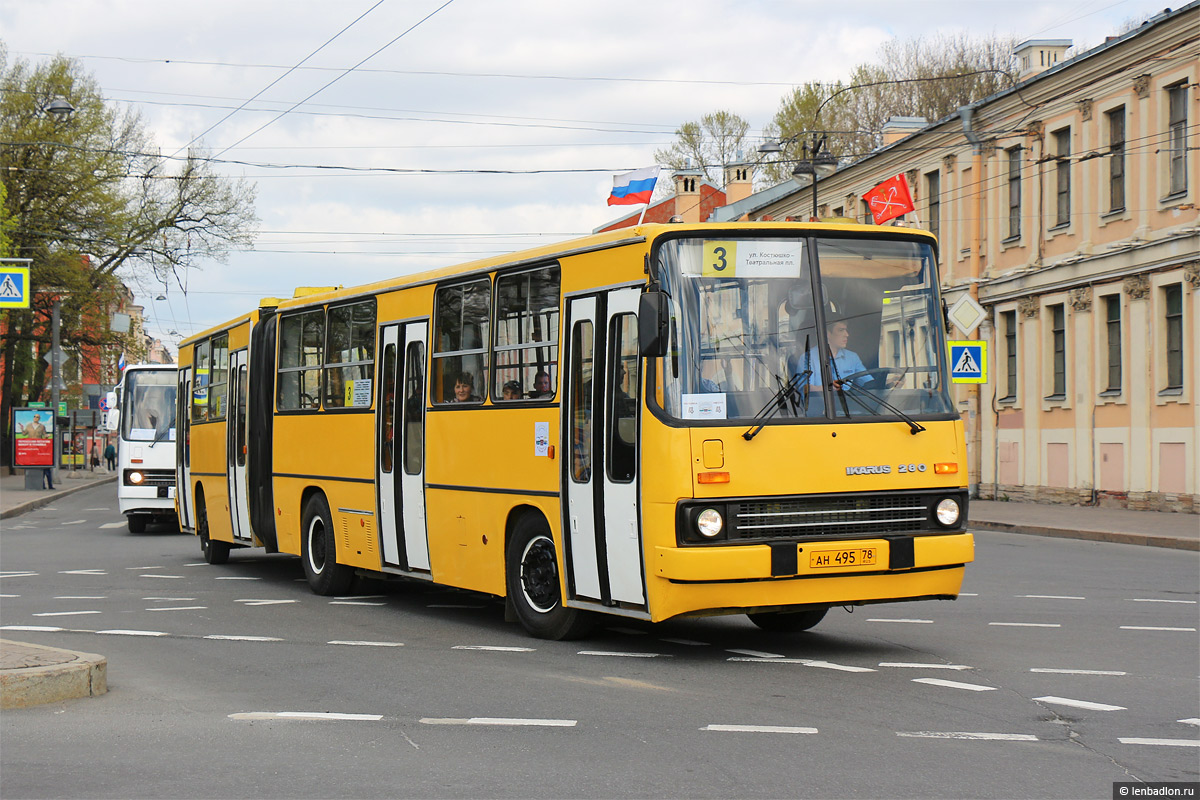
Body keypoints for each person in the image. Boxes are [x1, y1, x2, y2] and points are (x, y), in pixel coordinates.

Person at [796, 320, 869, 389]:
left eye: (846, 330)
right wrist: (829, 389)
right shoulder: (808, 357)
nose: (847, 334)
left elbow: (868, 382)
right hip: (821, 401)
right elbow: (805, 388)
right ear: (827, 334)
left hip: (849, 401)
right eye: (841, 330)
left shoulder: (852, 357)